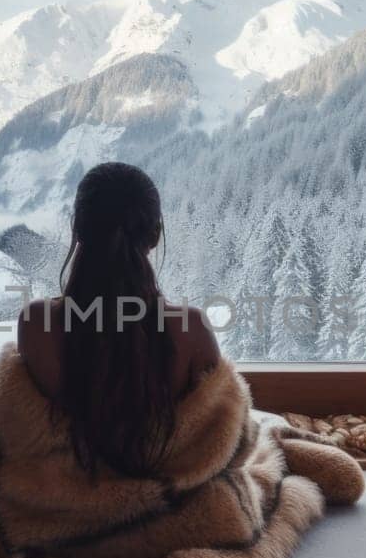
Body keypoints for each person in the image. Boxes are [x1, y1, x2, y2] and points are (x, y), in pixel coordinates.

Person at [17, 162, 220, 478]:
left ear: (78, 228)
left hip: (62, 509)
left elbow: (29, 446)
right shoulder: (192, 329)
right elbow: (216, 443)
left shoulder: (35, 323)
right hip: (168, 508)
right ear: (155, 235)